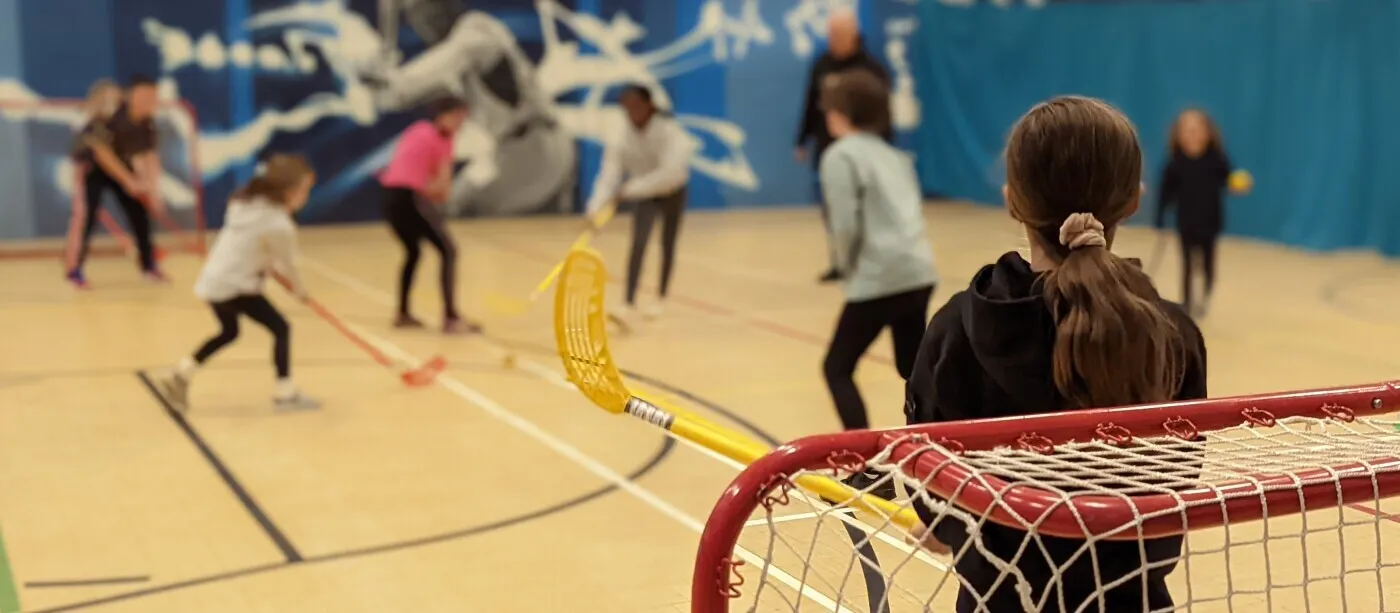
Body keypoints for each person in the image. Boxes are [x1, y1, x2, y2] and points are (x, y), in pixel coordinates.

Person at [904, 96, 1208, 613]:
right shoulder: (1173, 334)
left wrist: (945, 525)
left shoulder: (958, 327)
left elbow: (930, 478)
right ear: (1134, 201)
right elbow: (1174, 478)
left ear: (1012, 201)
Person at [154, 154, 320, 413]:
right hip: (234, 286)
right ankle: (286, 393)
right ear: (288, 191)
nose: (306, 197)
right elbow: (288, 265)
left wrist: (271, 269)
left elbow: (255, 251)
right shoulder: (279, 225)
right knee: (281, 328)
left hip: (214, 281)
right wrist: (300, 292)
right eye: (304, 190)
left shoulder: (245, 204)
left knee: (229, 332)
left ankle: (181, 373)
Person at [818, 70, 936, 433]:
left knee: (837, 368)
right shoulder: (895, 155)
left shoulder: (840, 156)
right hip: (918, 272)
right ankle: (935, 439)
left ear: (841, 112)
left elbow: (845, 225)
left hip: (879, 276)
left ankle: (862, 456)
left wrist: (843, 266)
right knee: (913, 368)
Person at [795, 8, 890, 284]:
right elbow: (810, 103)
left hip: (865, 153)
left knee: (866, 206)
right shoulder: (821, 65)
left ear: (853, 33)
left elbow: (884, 112)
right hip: (828, 148)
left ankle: (869, 259)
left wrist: (885, 145)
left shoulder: (871, 68)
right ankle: (839, 261)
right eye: (831, 33)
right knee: (832, 205)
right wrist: (802, 139)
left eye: (838, 33)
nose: (833, 38)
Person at [584, 84, 693, 321]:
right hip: (643, 195)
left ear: (648, 105)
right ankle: (628, 302)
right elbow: (609, 173)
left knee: (667, 243)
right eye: (626, 106)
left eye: (635, 105)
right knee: (638, 243)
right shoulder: (620, 135)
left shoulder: (669, 131)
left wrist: (630, 189)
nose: (630, 111)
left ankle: (660, 298)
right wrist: (595, 207)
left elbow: (671, 173)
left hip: (672, 191)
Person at [379, 98, 479, 334]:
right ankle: (451, 318)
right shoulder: (444, 141)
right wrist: (433, 191)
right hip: (409, 197)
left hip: (388, 197)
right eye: (458, 118)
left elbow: (405, 167)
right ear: (443, 116)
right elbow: (442, 190)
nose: (461, 124)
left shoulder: (417, 129)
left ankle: (403, 313)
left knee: (413, 252)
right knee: (448, 250)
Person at [67, 75, 167, 287]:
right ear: (131, 95)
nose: (149, 102)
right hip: (92, 165)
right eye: (144, 96)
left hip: (121, 164)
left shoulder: (147, 123)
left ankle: (149, 267)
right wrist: (129, 181)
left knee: (139, 211)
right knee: (86, 216)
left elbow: (149, 156)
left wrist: (153, 190)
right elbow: (101, 152)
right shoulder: (110, 111)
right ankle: (74, 271)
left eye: (152, 98)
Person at [1156, 108, 1247, 318]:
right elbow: (1165, 193)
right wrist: (1160, 217)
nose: (1192, 135)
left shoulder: (1216, 159)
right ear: (1178, 135)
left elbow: (1228, 179)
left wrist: (1236, 185)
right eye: (1187, 131)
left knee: (1207, 261)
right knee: (1187, 263)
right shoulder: (1175, 162)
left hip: (1210, 221)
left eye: (1197, 130)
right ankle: (1187, 302)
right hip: (1186, 222)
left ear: (1208, 133)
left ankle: (1205, 295)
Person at [64, 79, 122, 285]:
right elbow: (88, 153)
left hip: (100, 174)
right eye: (106, 99)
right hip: (83, 173)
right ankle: (73, 268)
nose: (111, 104)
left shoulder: (112, 126)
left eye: (114, 100)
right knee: (81, 219)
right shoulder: (89, 124)